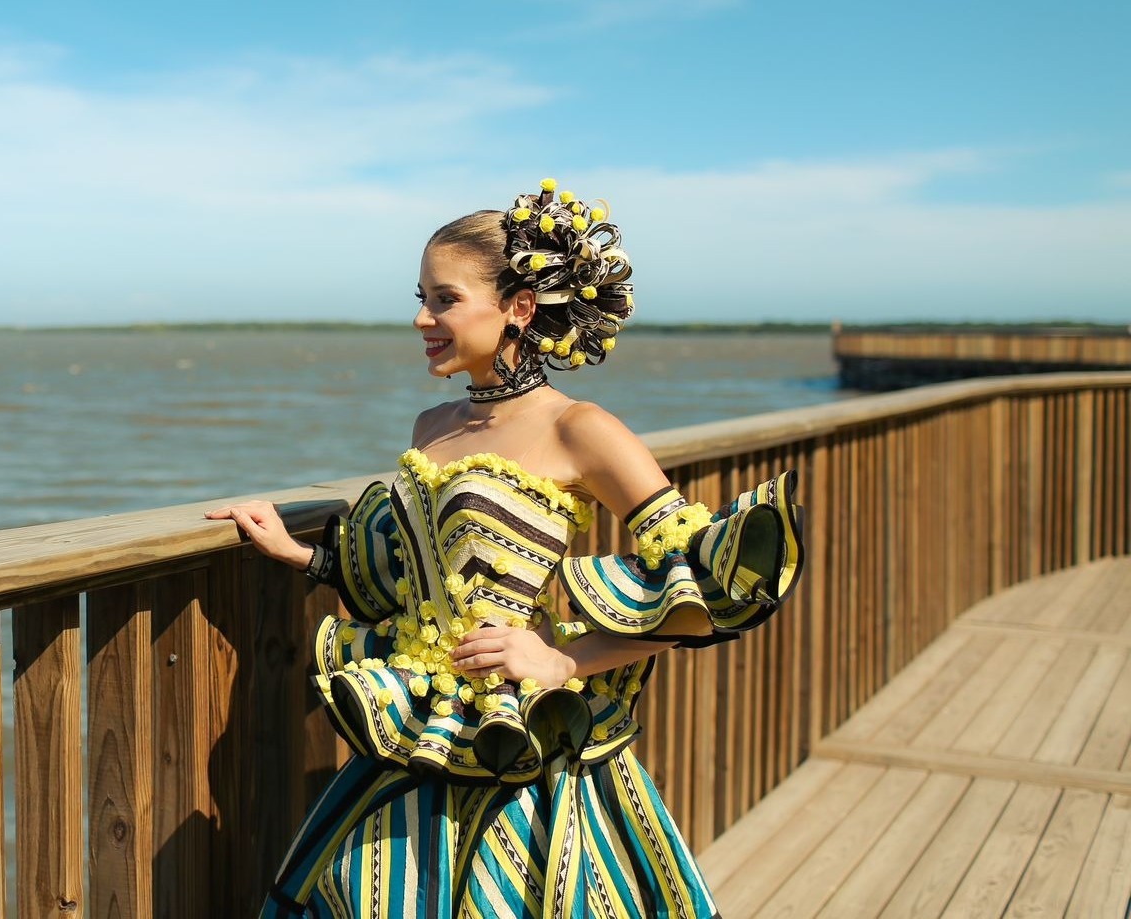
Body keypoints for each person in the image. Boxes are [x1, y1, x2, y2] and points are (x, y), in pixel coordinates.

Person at [207, 178, 803, 918]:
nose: (422, 317)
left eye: (445, 299)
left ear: (519, 307)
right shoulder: (432, 425)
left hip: (521, 746)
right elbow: (417, 575)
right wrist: (299, 554)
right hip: (419, 733)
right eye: (420, 296)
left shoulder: (580, 429)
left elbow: (705, 587)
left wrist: (561, 659)